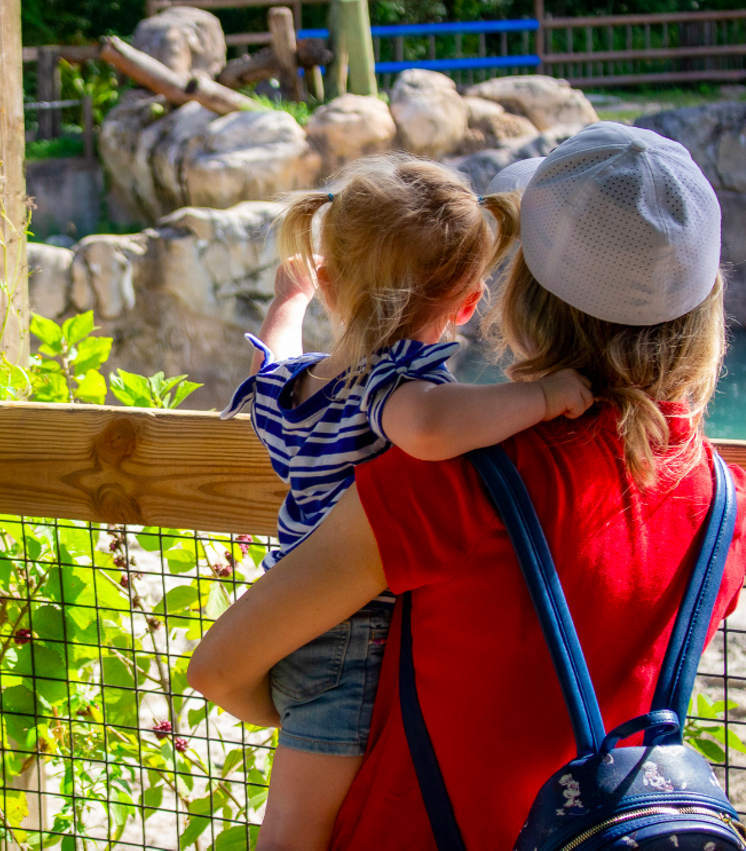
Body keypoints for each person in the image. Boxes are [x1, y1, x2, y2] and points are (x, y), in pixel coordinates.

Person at [188, 121, 746, 851]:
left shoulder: (453, 483)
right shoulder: (724, 507)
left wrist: (307, 708)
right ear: (701, 306)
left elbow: (220, 666)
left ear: (524, 296)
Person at [215, 154, 593, 850]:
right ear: (469, 303)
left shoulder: (295, 391)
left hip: (294, 607)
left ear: (331, 281)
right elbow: (428, 426)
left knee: (303, 810)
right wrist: (541, 397)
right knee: (298, 826)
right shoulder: (390, 384)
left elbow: (268, 358)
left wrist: (287, 302)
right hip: (349, 631)